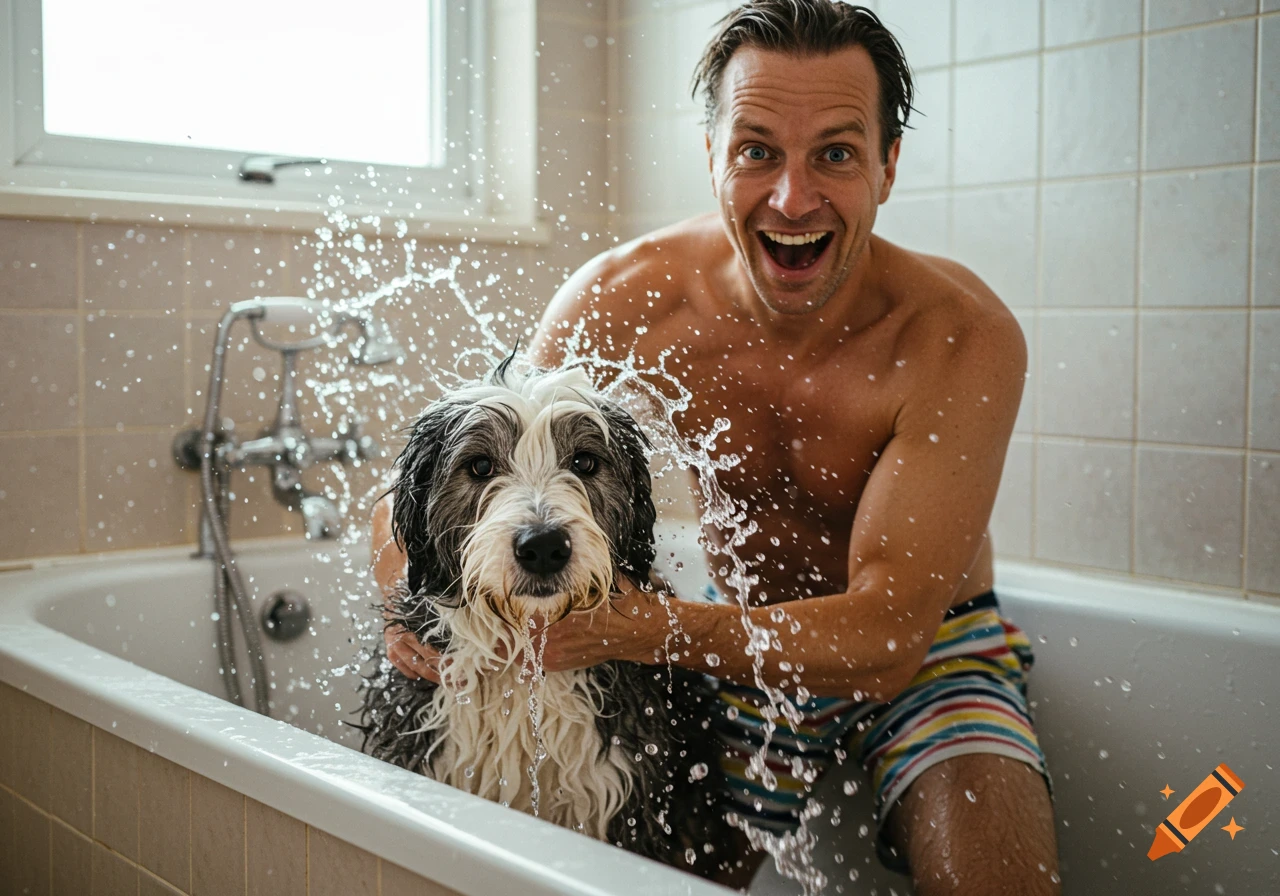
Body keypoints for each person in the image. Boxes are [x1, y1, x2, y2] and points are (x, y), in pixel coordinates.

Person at [371, 2, 1060, 893]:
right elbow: (465, 466)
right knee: (642, 881)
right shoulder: (624, 297)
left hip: (930, 653)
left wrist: (650, 630)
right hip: (729, 644)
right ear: (713, 157)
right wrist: (404, 596)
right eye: (758, 151)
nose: (792, 198)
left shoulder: (957, 334)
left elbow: (890, 636)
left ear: (888, 165)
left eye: (836, 155)